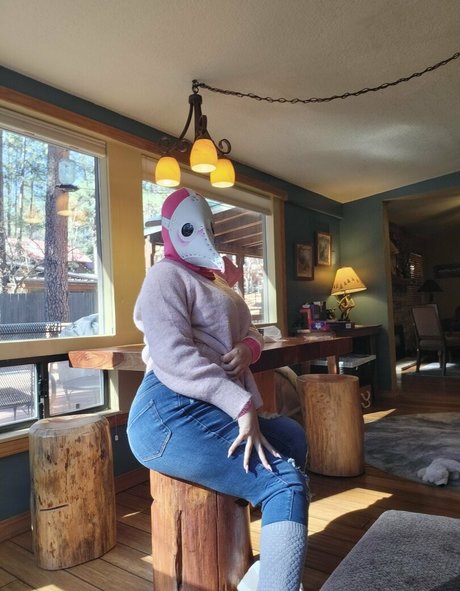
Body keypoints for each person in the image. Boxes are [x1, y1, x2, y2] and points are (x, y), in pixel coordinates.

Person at [127, 187, 309, 591]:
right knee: (284, 484)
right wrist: (241, 405)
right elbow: (173, 356)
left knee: (292, 437)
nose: (202, 235)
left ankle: (267, 571)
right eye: (190, 228)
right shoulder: (164, 276)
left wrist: (247, 349)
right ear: (171, 231)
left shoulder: (219, 282)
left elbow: (253, 332)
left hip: (215, 405)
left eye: (207, 227)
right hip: (169, 410)